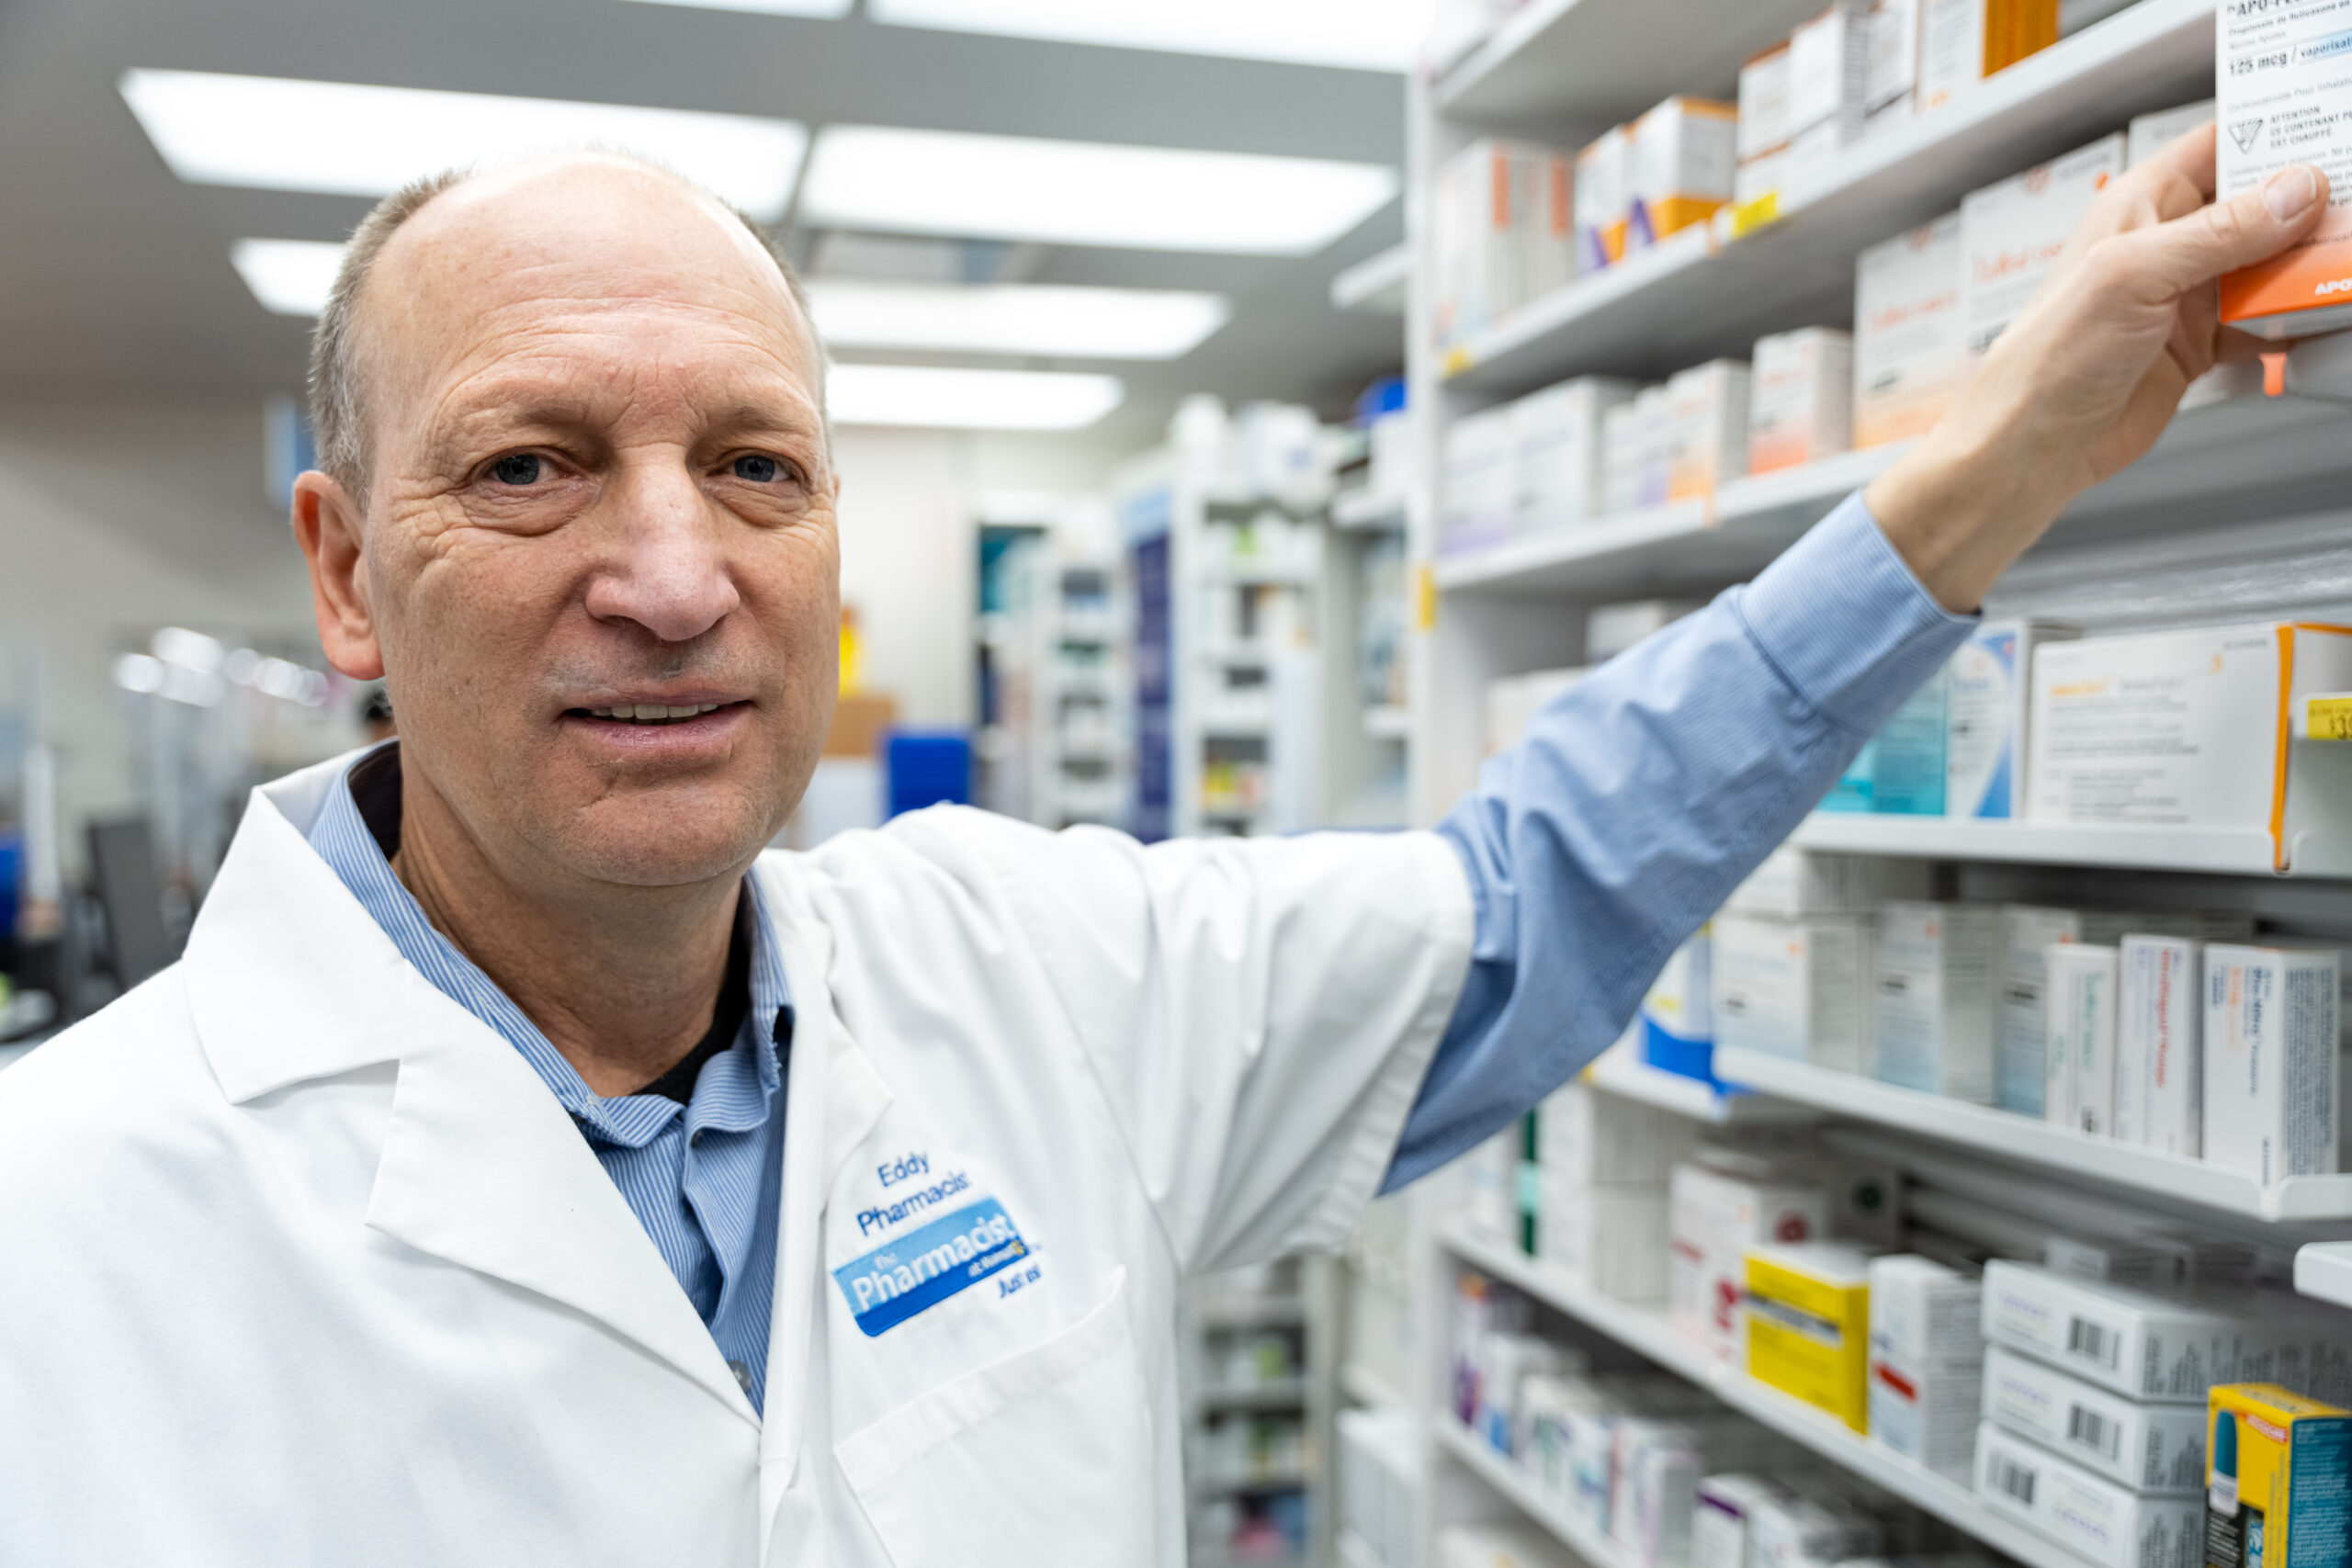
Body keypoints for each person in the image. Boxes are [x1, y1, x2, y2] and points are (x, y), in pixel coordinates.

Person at [0, 138, 2326, 1566]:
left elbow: (1531, 896)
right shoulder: (66, 1216)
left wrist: (2008, 450)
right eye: (527, 468)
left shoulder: (1033, 974)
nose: (672, 575)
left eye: (756, 467)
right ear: (339, 568)